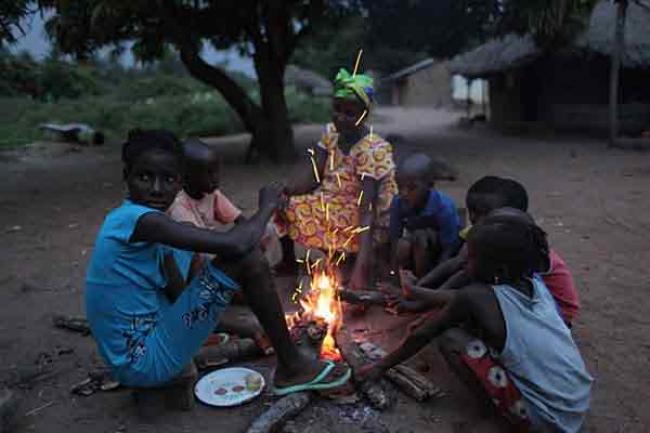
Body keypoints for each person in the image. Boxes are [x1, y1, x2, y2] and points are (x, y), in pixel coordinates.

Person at [85, 129, 350, 393]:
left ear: (180, 184)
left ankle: (284, 357)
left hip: (139, 353)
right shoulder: (139, 220)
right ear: (126, 177)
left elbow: (179, 296)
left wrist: (246, 328)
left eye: (167, 179)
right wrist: (268, 205)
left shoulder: (157, 225)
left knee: (223, 259)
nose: (156, 188)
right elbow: (236, 244)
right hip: (142, 362)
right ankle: (292, 367)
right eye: (144, 177)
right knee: (247, 258)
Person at [361, 212, 593, 432]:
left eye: (471, 258)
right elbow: (454, 297)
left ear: (498, 269)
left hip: (545, 419)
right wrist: (415, 292)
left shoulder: (475, 297)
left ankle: (493, 415)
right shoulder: (535, 284)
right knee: (474, 328)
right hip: (576, 401)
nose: (465, 263)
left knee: (450, 338)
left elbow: (424, 334)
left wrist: (379, 367)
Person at [274, 68, 397, 290]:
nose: (340, 117)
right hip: (333, 201)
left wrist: (363, 268)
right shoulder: (331, 132)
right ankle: (289, 262)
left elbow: (367, 209)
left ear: (364, 114)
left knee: (338, 223)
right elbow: (314, 175)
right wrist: (285, 190)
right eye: (337, 110)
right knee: (280, 202)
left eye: (349, 113)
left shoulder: (372, 149)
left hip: (365, 213)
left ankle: (355, 263)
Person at [414, 177, 580, 325]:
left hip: (555, 313)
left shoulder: (523, 247)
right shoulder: (484, 233)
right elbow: (458, 264)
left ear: (510, 215)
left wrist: (423, 296)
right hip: (527, 301)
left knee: (472, 301)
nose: (473, 218)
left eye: (483, 214)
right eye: (472, 210)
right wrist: (422, 288)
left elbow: (469, 279)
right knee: (471, 275)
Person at [168, 138, 281, 266]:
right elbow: (197, 243)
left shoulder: (212, 194)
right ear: (186, 177)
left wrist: (251, 238)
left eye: (216, 172)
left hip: (216, 245)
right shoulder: (179, 204)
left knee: (268, 229)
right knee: (203, 256)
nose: (216, 179)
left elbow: (241, 220)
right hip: (200, 252)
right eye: (209, 174)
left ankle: (264, 268)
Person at [390, 153, 461, 278]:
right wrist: (395, 273)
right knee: (403, 245)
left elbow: (450, 248)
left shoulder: (444, 207)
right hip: (417, 251)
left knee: (420, 238)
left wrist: (436, 278)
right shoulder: (398, 202)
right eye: (399, 186)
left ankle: (423, 284)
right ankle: (407, 279)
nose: (404, 193)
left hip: (442, 256)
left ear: (430, 185)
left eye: (412, 188)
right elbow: (395, 237)